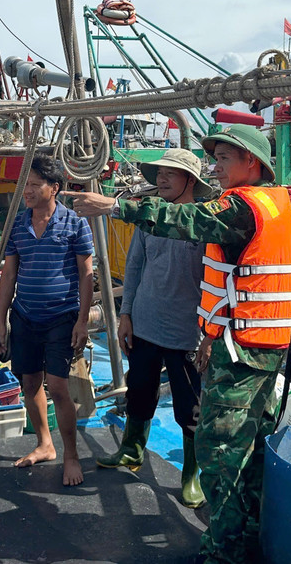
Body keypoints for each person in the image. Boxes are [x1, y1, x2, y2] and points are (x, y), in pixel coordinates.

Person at [67, 124, 291, 564]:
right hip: (261, 343)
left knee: (221, 452)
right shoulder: (274, 202)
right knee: (250, 448)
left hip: (244, 350)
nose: (216, 167)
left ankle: (223, 553)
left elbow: (185, 220)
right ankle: (249, 536)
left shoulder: (242, 207)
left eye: (225, 159)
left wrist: (115, 206)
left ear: (252, 163)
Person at [96, 149, 208, 510]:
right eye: (159, 173)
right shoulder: (149, 218)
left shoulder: (205, 221)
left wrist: (210, 333)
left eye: (170, 174)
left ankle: (191, 474)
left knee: (190, 407)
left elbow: (218, 280)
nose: (160, 179)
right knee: (139, 390)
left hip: (187, 330)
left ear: (190, 181)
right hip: (144, 322)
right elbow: (134, 267)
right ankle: (131, 450)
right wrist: (125, 314)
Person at [0, 155, 94, 487]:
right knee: (30, 385)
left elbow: (86, 274)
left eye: (36, 185)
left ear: (55, 188)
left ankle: (71, 456)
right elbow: (9, 274)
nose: (29, 191)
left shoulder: (75, 223)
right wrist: (0, 321)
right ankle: (44, 444)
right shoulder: (19, 225)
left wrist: (82, 321)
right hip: (25, 317)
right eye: (27, 186)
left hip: (61, 318)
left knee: (60, 385)